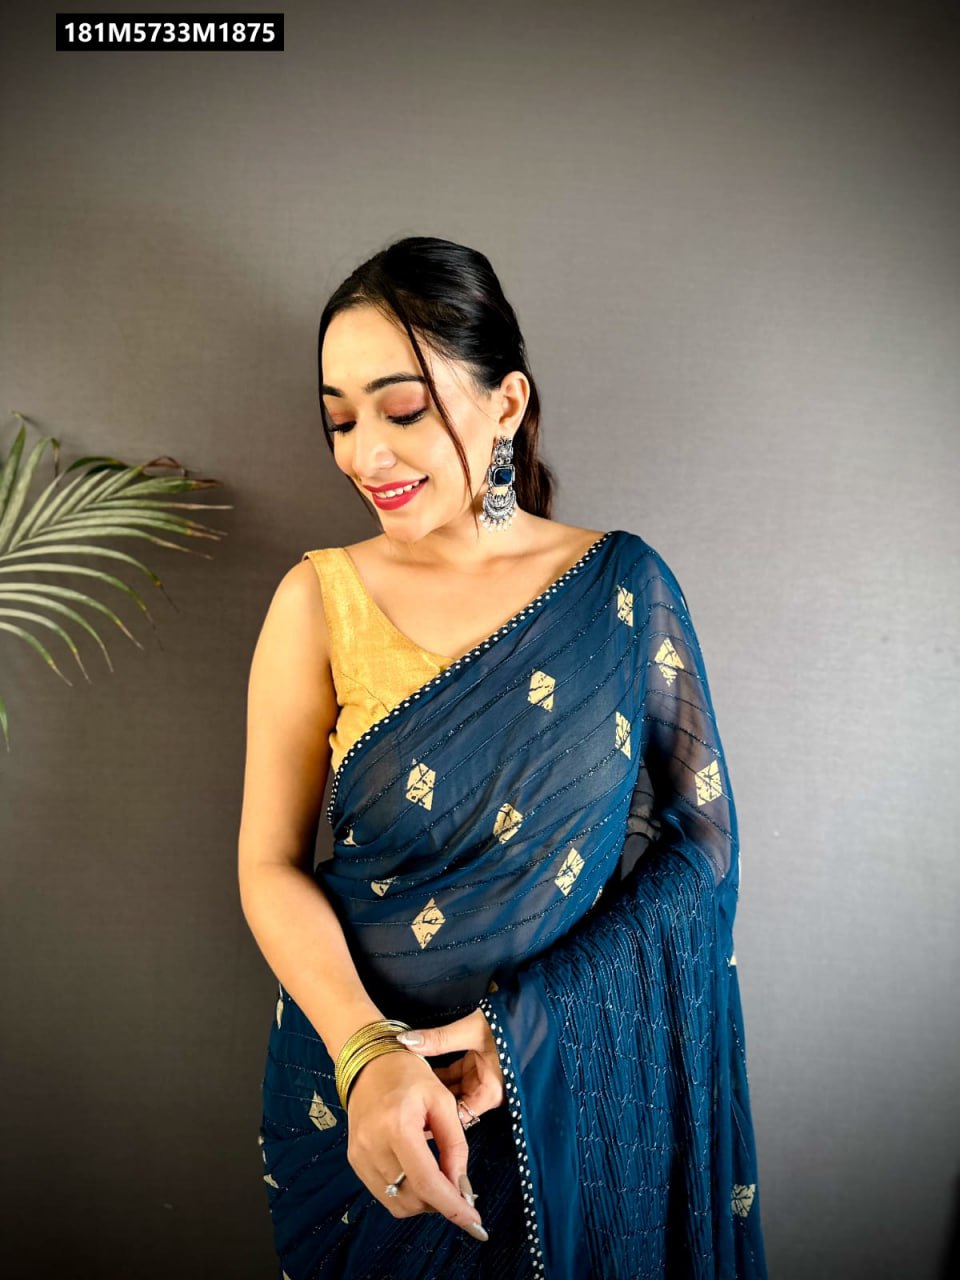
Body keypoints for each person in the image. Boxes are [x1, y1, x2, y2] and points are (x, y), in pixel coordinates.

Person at [238, 235, 768, 1279]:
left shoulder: (620, 587)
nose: (364, 454)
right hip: (358, 1103)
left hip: (563, 1092)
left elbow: (703, 842)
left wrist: (525, 1030)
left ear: (507, 404)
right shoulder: (318, 600)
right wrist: (367, 1055)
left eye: (401, 409)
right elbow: (266, 865)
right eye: (340, 418)